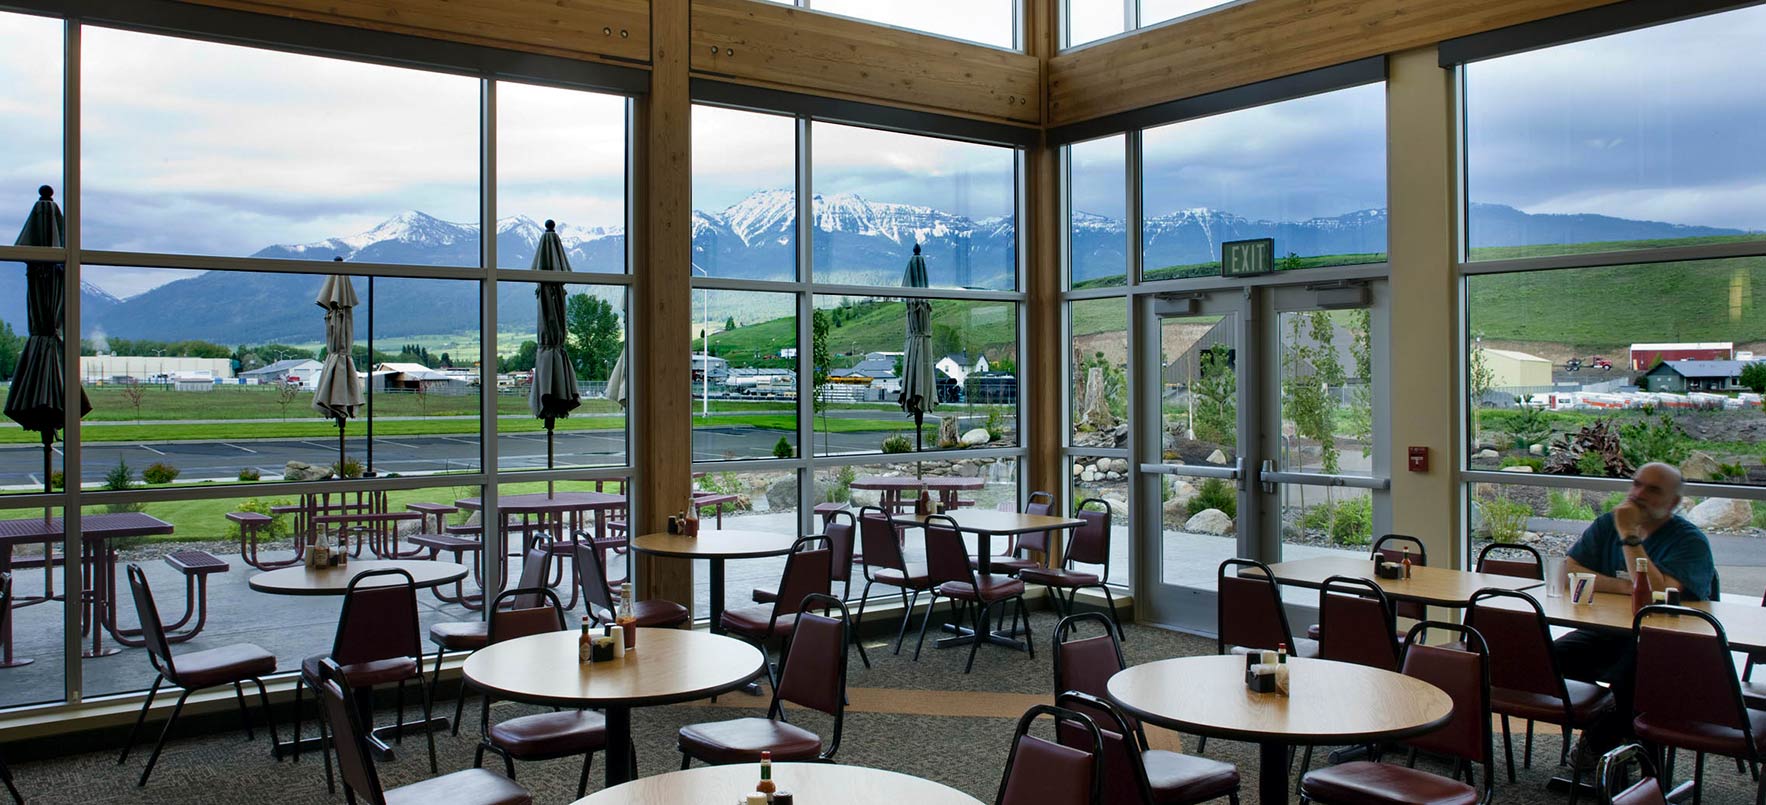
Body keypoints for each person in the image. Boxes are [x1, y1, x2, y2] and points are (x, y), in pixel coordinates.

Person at [1554, 461, 1716, 767]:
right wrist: (1628, 586)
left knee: (1631, 677)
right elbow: (1568, 573)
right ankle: (1612, 727)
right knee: (1548, 658)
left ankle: (1610, 740)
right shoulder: (1607, 524)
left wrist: (1629, 535)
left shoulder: (1689, 540)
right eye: (1636, 484)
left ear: (1673, 503)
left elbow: (1656, 596)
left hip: (1665, 644)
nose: (1638, 494)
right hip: (1607, 632)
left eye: (1652, 490)